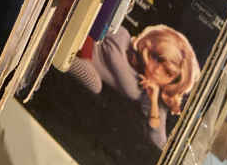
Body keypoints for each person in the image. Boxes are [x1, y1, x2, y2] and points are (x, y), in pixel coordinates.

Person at [68, 24, 200, 149]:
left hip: (79, 62)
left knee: (94, 83)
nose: (157, 70)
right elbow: (94, 24)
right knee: (93, 80)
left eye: (167, 72)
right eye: (157, 59)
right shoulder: (123, 37)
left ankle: (64, 53)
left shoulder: (148, 93)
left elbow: (159, 142)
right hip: (83, 39)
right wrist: (85, 50)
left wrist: (154, 100)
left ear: (173, 82)